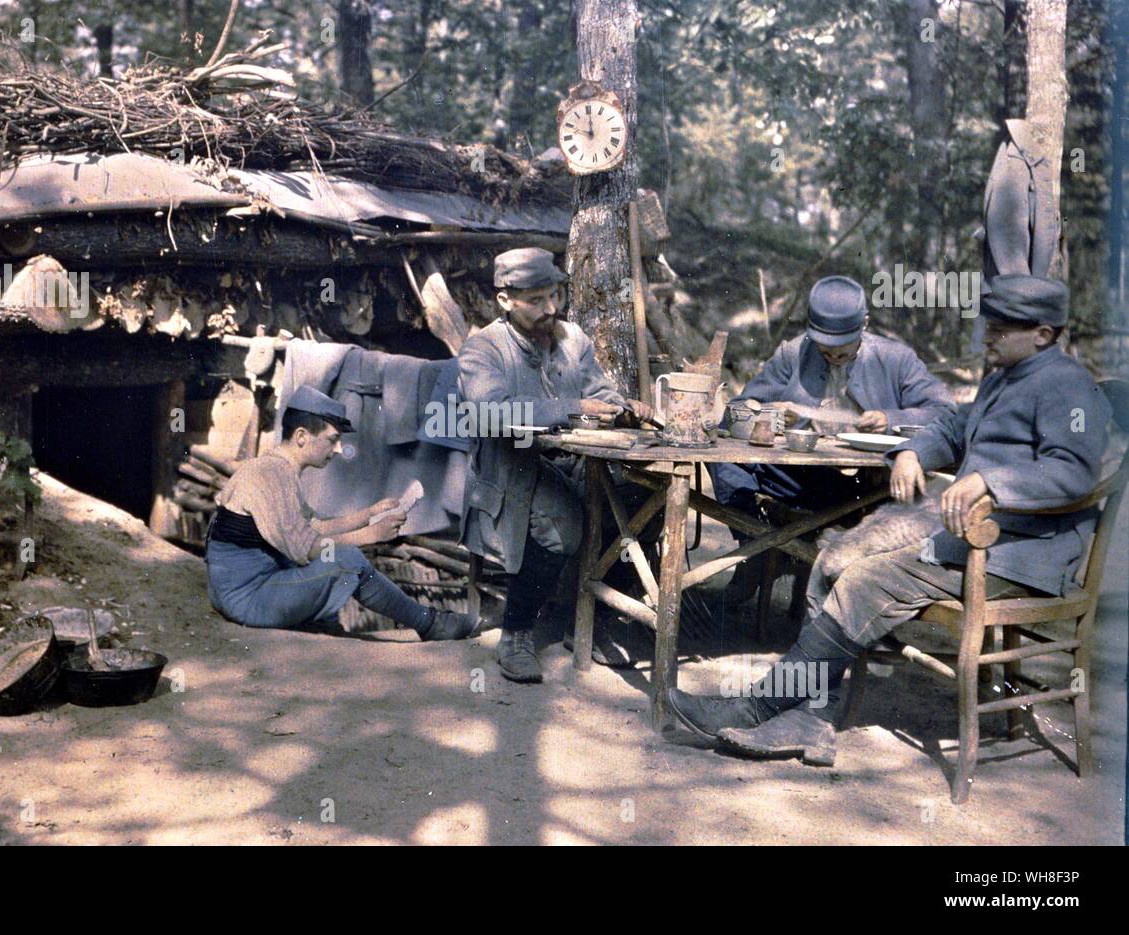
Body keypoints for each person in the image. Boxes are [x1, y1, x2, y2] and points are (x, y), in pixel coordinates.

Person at [667, 275, 1111, 766]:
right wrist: (912, 454)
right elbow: (950, 424)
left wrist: (989, 482)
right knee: (832, 558)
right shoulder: (1005, 377)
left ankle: (757, 707)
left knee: (866, 580)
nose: (988, 336)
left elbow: (1074, 472)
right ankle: (812, 720)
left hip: (1018, 553)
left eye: (1002, 329)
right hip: (975, 536)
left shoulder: (1067, 385)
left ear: (1044, 334)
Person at [457, 247, 655, 683]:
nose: (551, 309)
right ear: (505, 300)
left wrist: (621, 408)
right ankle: (516, 632)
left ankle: (591, 620)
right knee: (562, 524)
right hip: (512, 468)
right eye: (537, 300)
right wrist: (569, 406)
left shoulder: (571, 339)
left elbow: (597, 392)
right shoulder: (483, 348)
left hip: (573, 461)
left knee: (641, 501)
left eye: (555, 296)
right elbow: (491, 414)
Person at [710, 274, 956, 601]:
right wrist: (770, 413)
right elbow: (739, 408)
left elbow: (944, 411)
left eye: (842, 352)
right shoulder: (794, 353)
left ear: (864, 325)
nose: (834, 359)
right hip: (802, 478)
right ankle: (753, 547)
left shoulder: (896, 359)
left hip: (869, 488)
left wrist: (890, 418)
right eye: (826, 352)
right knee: (726, 463)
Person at [205, 385, 476, 641]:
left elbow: (313, 526)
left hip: (249, 587)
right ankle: (430, 624)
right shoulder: (270, 475)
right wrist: (370, 535)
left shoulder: (277, 468)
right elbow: (309, 547)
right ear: (301, 436)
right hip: (246, 597)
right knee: (347, 559)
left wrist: (369, 514)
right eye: (332, 439)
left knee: (338, 563)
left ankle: (414, 622)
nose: (337, 449)